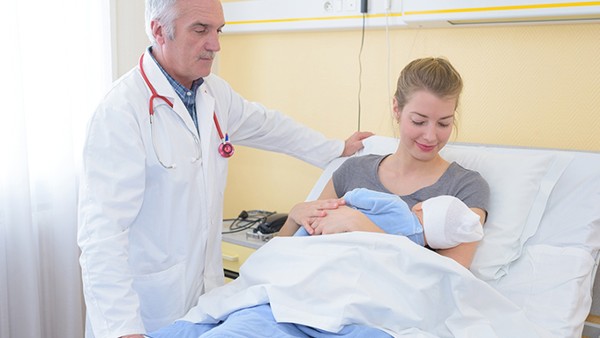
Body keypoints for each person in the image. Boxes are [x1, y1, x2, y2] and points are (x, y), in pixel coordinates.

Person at [76, 0, 372, 337]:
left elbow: (269, 126)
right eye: (200, 30)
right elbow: (102, 237)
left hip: (206, 301)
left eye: (218, 30)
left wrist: (335, 148)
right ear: (159, 31)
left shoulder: (213, 94)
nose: (215, 44)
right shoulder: (120, 111)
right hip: (145, 309)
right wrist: (123, 330)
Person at [279, 57, 490, 268]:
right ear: (397, 109)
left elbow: (451, 280)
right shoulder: (352, 171)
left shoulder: (465, 187)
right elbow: (279, 258)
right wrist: (293, 218)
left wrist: (362, 227)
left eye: (444, 123)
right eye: (419, 121)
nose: (430, 136)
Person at [294, 188, 483, 250]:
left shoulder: (398, 206)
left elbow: (359, 195)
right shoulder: (413, 249)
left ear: (420, 206)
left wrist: (342, 202)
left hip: (322, 230)